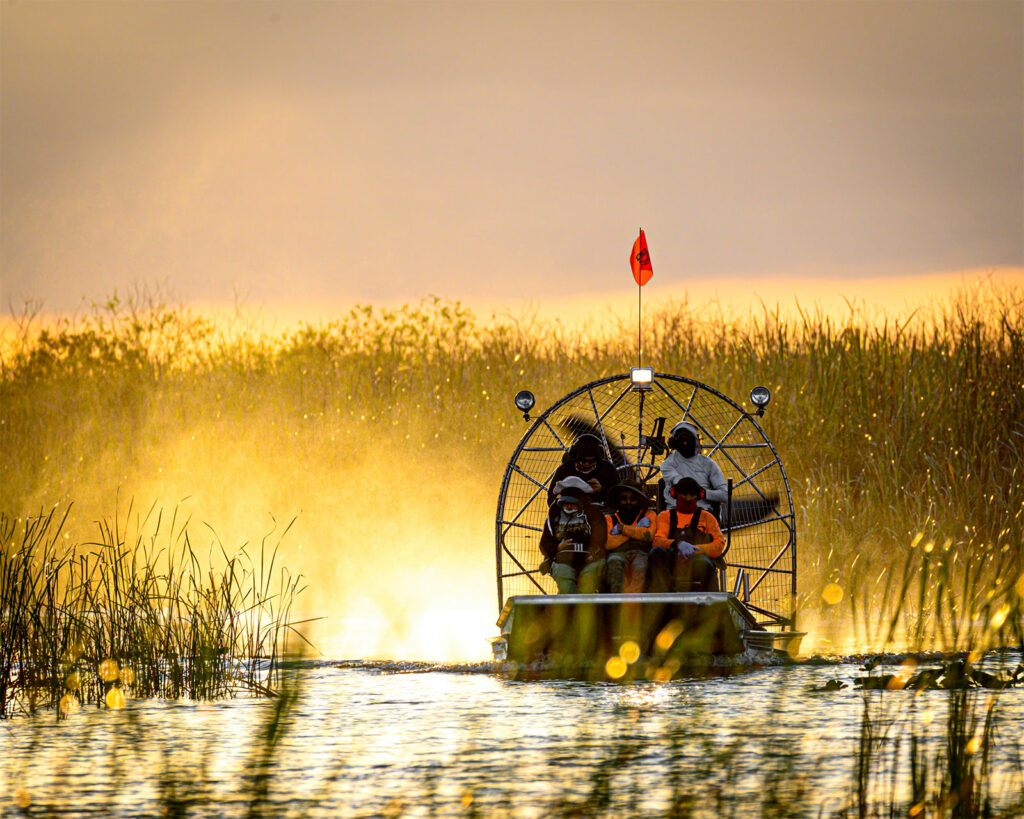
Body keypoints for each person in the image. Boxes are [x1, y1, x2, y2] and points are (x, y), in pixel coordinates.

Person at [649, 477, 725, 593]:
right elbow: (657, 541)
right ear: (675, 494)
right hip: (672, 562)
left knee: (704, 562)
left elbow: (719, 544)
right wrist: (677, 544)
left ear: (699, 495)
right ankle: (660, 598)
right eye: (684, 494)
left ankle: (710, 603)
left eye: (692, 494)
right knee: (657, 552)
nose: (688, 498)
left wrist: (697, 550)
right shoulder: (665, 516)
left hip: (698, 562)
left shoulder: (707, 518)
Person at [538, 477, 608, 594]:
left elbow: (602, 540)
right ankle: (567, 607)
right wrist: (558, 547)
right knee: (566, 585)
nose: (569, 507)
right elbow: (544, 544)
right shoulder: (554, 515)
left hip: (590, 561)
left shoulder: (594, 514)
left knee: (587, 589)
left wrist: (591, 552)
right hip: (562, 562)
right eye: (566, 503)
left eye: (573, 504)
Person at [660, 421, 728, 514]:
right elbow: (683, 484)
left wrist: (704, 494)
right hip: (674, 513)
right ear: (674, 443)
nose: (685, 443)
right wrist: (696, 491)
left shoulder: (708, 464)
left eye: (688, 439)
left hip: (703, 513)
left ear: (695, 441)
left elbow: (725, 495)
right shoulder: (667, 464)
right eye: (682, 440)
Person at [604, 480, 656, 593]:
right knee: (614, 563)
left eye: (633, 499)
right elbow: (609, 544)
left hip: (641, 553)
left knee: (640, 566)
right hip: (617, 554)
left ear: (639, 500)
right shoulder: (609, 519)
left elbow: (648, 536)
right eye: (624, 498)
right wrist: (637, 530)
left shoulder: (649, 514)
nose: (628, 502)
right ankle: (618, 605)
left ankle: (634, 604)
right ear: (618, 500)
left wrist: (622, 530)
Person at [547, 434, 620, 507]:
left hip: (599, 511)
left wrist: (601, 489)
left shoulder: (607, 469)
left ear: (598, 459)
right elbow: (551, 497)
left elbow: (618, 496)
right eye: (583, 461)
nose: (587, 464)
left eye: (591, 461)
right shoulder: (566, 468)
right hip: (571, 510)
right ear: (575, 457)